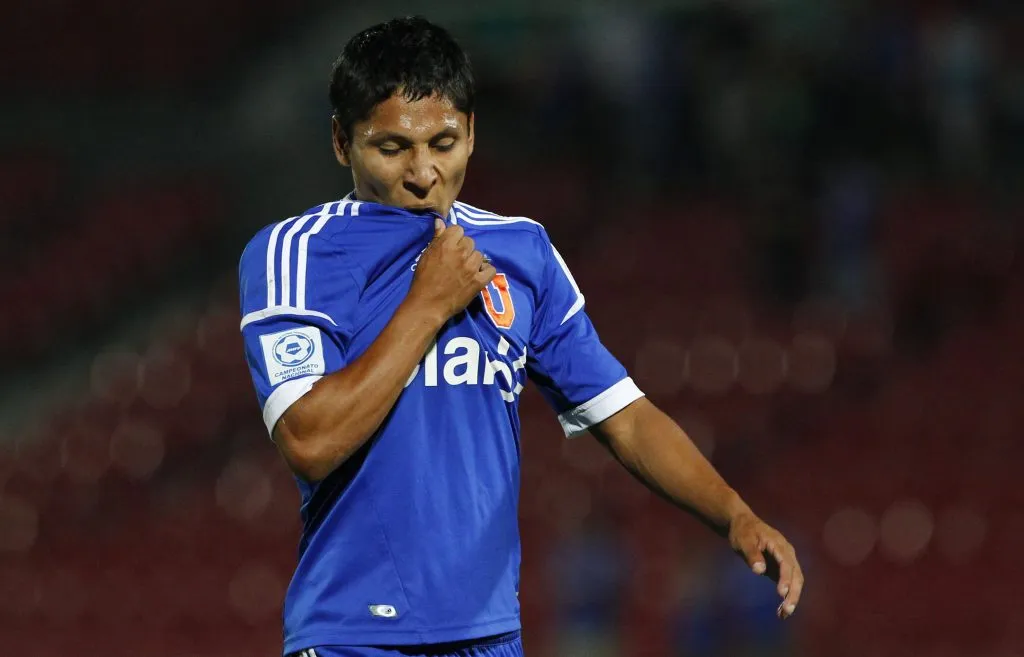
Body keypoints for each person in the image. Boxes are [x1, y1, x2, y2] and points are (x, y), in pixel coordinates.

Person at [237, 15, 804, 657]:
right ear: (342, 142)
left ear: (473, 133)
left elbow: (625, 417)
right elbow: (309, 440)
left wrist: (733, 515)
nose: (423, 173)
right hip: (352, 637)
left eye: (444, 143)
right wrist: (428, 305)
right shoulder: (295, 255)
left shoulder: (521, 250)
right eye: (392, 147)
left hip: (490, 638)